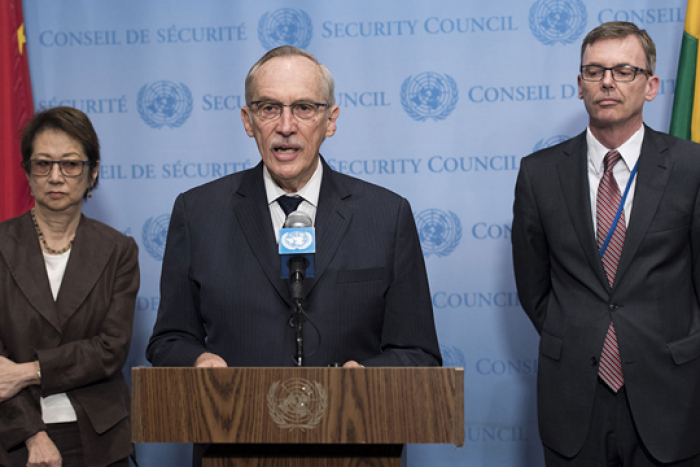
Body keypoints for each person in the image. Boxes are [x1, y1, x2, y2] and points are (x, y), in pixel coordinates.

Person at [147, 46, 440, 371]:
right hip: (238, 404)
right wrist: (199, 361)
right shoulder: (197, 213)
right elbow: (169, 341)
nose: (286, 126)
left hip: (347, 405)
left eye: (304, 108)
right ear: (248, 120)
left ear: (330, 120)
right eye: (269, 108)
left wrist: (365, 379)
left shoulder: (386, 216)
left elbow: (418, 352)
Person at [512, 21, 700, 466]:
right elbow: (534, 288)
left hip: (671, 396)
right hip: (573, 397)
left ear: (651, 86)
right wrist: (580, 333)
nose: (608, 82)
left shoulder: (691, 167)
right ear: (581, 85)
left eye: (624, 71)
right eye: (594, 71)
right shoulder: (539, 174)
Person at [0, 107, 140, 467]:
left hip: (99, 435)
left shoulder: (118, 250)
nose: (56, 176)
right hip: (13, 433)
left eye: (70, 164)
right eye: (43, 164)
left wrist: (29, 372)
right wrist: (33, 435)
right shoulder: (2, 245)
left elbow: (111, 349)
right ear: (27, 172)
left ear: (93, 172)